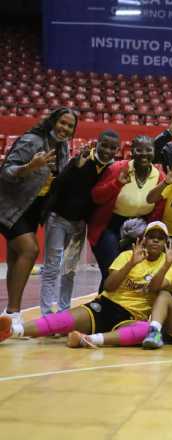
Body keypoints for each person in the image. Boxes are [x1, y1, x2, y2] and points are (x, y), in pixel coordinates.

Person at [0, 222, 171, 347]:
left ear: (165, 243)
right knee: (61, 320)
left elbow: (155, 289)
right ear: (144, 239)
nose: (155, 241)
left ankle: (89, 339)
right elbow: (109, 286)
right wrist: (131, 264)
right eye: (151, 237)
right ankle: (12, 330)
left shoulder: (170, 264)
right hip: (106, 305)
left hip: (132, 317)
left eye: (160, 238)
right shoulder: (128, 255)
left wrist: (165, 265)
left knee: (148, 331)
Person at [0, 107, 75, 325]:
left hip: (34, 209)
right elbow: (6, 171)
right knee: (30, 250)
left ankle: (7, 315)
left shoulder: (62, 148)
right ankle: (14, 312)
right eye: (62, 122)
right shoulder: (32, 141)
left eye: (70, 126)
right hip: (10, 206)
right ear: (52, 121)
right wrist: (30, 167)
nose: (65, 128)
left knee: (15, 260)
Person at [39, 130, 119, 315]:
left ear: (117, 149)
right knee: (52, 267)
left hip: (79, 225)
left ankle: (63, 311)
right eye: (104, 145)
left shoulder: (112, 169)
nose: (107, 150)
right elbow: (58, 185)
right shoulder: (81, 159)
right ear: (96, 143)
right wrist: (75, 167)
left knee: (69, 270)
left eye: (112, 147)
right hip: (58, 219)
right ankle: (45, 314)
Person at [89, 135, 165, 286]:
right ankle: (101, 307)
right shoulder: (117, 168)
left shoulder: (160, 177)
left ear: (154, 152)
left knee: (130, 275)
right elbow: (96, 196)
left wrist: (146, 235)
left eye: (148, 149)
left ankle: (119, 307)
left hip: (139, 229)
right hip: (109, 226)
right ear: (132, 151)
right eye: (139, 149)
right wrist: (116, 183)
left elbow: (158, 209)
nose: (144, 153)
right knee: (112, 272)